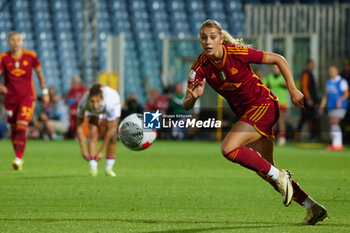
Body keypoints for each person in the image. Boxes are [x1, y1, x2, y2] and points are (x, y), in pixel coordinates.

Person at [183, 20, 327, 225]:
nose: (208, 41)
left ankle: (281, 176)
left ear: (221, 39)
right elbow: (186, 104)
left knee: (228, 148)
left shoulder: (237, 53)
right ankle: (312, 207)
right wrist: (195, 97)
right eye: (204, 38)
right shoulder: (199, 67)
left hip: (265, 105)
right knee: (266, 170)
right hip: (248, 115)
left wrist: (293, 89)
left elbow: (279, 59)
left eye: (212, 37)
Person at [0, 31, 49, 170]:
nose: (16, 43)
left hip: (27, 97)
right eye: (12, 40)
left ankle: (18, 158)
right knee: (14, 130)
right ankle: (18, 156)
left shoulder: (31, 56)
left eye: (18, 40)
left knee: (22, 125)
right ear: (8, 42)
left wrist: (44, 91)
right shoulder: (3, 58)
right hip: (10, 99)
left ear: (22, 42)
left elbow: (40, 73)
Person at [76, 83, 121, 177]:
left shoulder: (110, 103)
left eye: (97, 101)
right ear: (88, 99)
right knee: (92, 132)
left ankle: (109, 168)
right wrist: (83, 150)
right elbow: (79, 127)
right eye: (92, 101)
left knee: (113, 135)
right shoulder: (83, 103)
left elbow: (109, 130)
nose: (95, 105)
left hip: (113, 103)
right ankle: (93, 168)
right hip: (94, 112)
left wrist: (101, 151)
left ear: (102, 99)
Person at [318, 66, 349, 151]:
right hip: (331, 106)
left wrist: (340, 100)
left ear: (337, 71)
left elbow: (346, 94)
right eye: (330, 71)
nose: (332, 72)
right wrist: (321, 106)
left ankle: (338, 144)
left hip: (340, 106)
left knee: (334, 122)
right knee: (332, 125)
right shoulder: (329, 83)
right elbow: (326, 96)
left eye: (333, 71)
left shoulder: (342, 81)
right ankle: (336, 143)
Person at [264, 65, 289, 145]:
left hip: (282, 101)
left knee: (280, 119)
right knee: (272, 120)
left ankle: (282, 137)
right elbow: (266, 87)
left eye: (277, 68)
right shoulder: (270, 77)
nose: (275, 69)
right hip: (273, 102)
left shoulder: (283, 77)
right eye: (274, 68)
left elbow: (288, 86)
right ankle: (269, 136)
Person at [295, 59, 319, 142]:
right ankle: (299, 136)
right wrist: (308, 99)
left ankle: (309, 136)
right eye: (311, 64)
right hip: (307, 101)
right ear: (308, 65)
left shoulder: (310, 74)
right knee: (307, 119)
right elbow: (304, 87)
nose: (313, 66)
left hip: (310, 101)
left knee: (308, 119)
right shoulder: (306, 74)